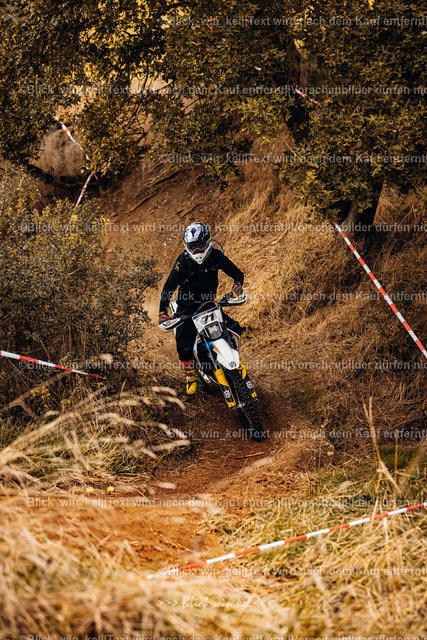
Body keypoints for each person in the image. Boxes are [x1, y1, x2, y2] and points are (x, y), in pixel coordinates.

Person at [159, 222, 244, 394]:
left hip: (208, 304)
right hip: (186, 308)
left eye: (200, 245)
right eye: (193, 247)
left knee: (235, 328)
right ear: (187, 246)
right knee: (183, 342)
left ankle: (232, 361)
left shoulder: (216, 256)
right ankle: (191, 376)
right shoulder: (182, 262)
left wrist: (237, 287)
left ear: (208, 242)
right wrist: (162, 312)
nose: (197, 250)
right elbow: (168, 289)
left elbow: (237, 274)